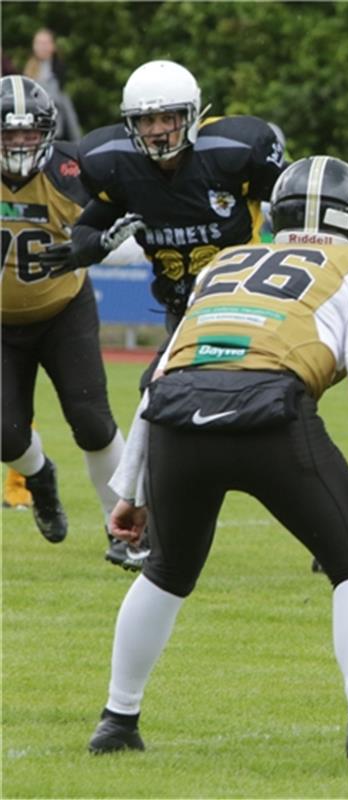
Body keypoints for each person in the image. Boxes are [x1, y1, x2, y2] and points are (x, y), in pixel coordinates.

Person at [87, 156, 348, 766]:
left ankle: (117, 718)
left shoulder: (227, 259)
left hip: (178, 415)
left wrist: (130, 490)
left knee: (164, 570)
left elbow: (159, 375)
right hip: (270, 411)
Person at [33, 59, 286, 335]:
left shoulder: (231, 151)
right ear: (131, 123)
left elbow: (293, 200)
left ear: (191, 116)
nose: (157, 131)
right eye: (147, 120)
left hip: (245, 303)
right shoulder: (119, 164)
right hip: (181, 311)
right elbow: (84, 234)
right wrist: (102, 243)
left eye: (168, 118)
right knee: (158, 380)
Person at [0, 75, 133, 567]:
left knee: (92, 422)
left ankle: (121, 527)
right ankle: (39, 477)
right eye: (7, 133)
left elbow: (121, 222)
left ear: (47, 133)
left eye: (27, 133)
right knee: (5, 435)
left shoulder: (75, 170)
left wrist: (91, 245)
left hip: (63, 311)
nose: (17, 143)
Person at [22, 28, 82, 142]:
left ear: (53, 46)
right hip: (32, 135)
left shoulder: (59, 74)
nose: (42, 47)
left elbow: (67, 110)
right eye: (39, 43)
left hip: (56, 135)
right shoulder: (27, 74)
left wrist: (77, 143)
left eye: (45, 43)